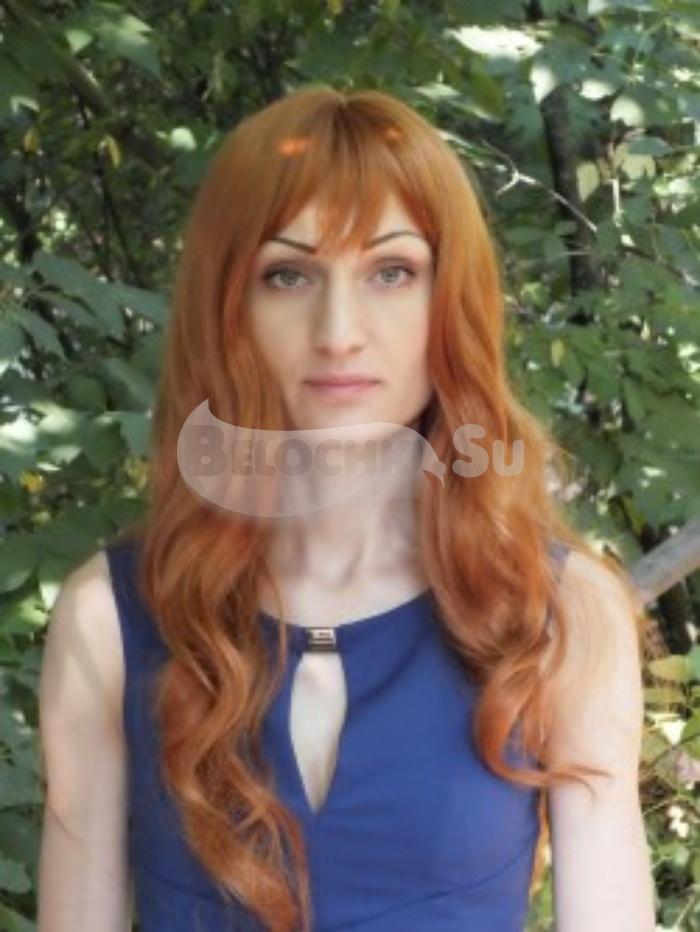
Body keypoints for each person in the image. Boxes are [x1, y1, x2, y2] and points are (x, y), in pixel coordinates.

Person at [36, 85, 656, 931]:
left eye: (391, 272)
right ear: (229, 308)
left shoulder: (559, 615)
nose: (338, 331)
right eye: (288, 274)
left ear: (451, 299)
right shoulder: (109, 621)